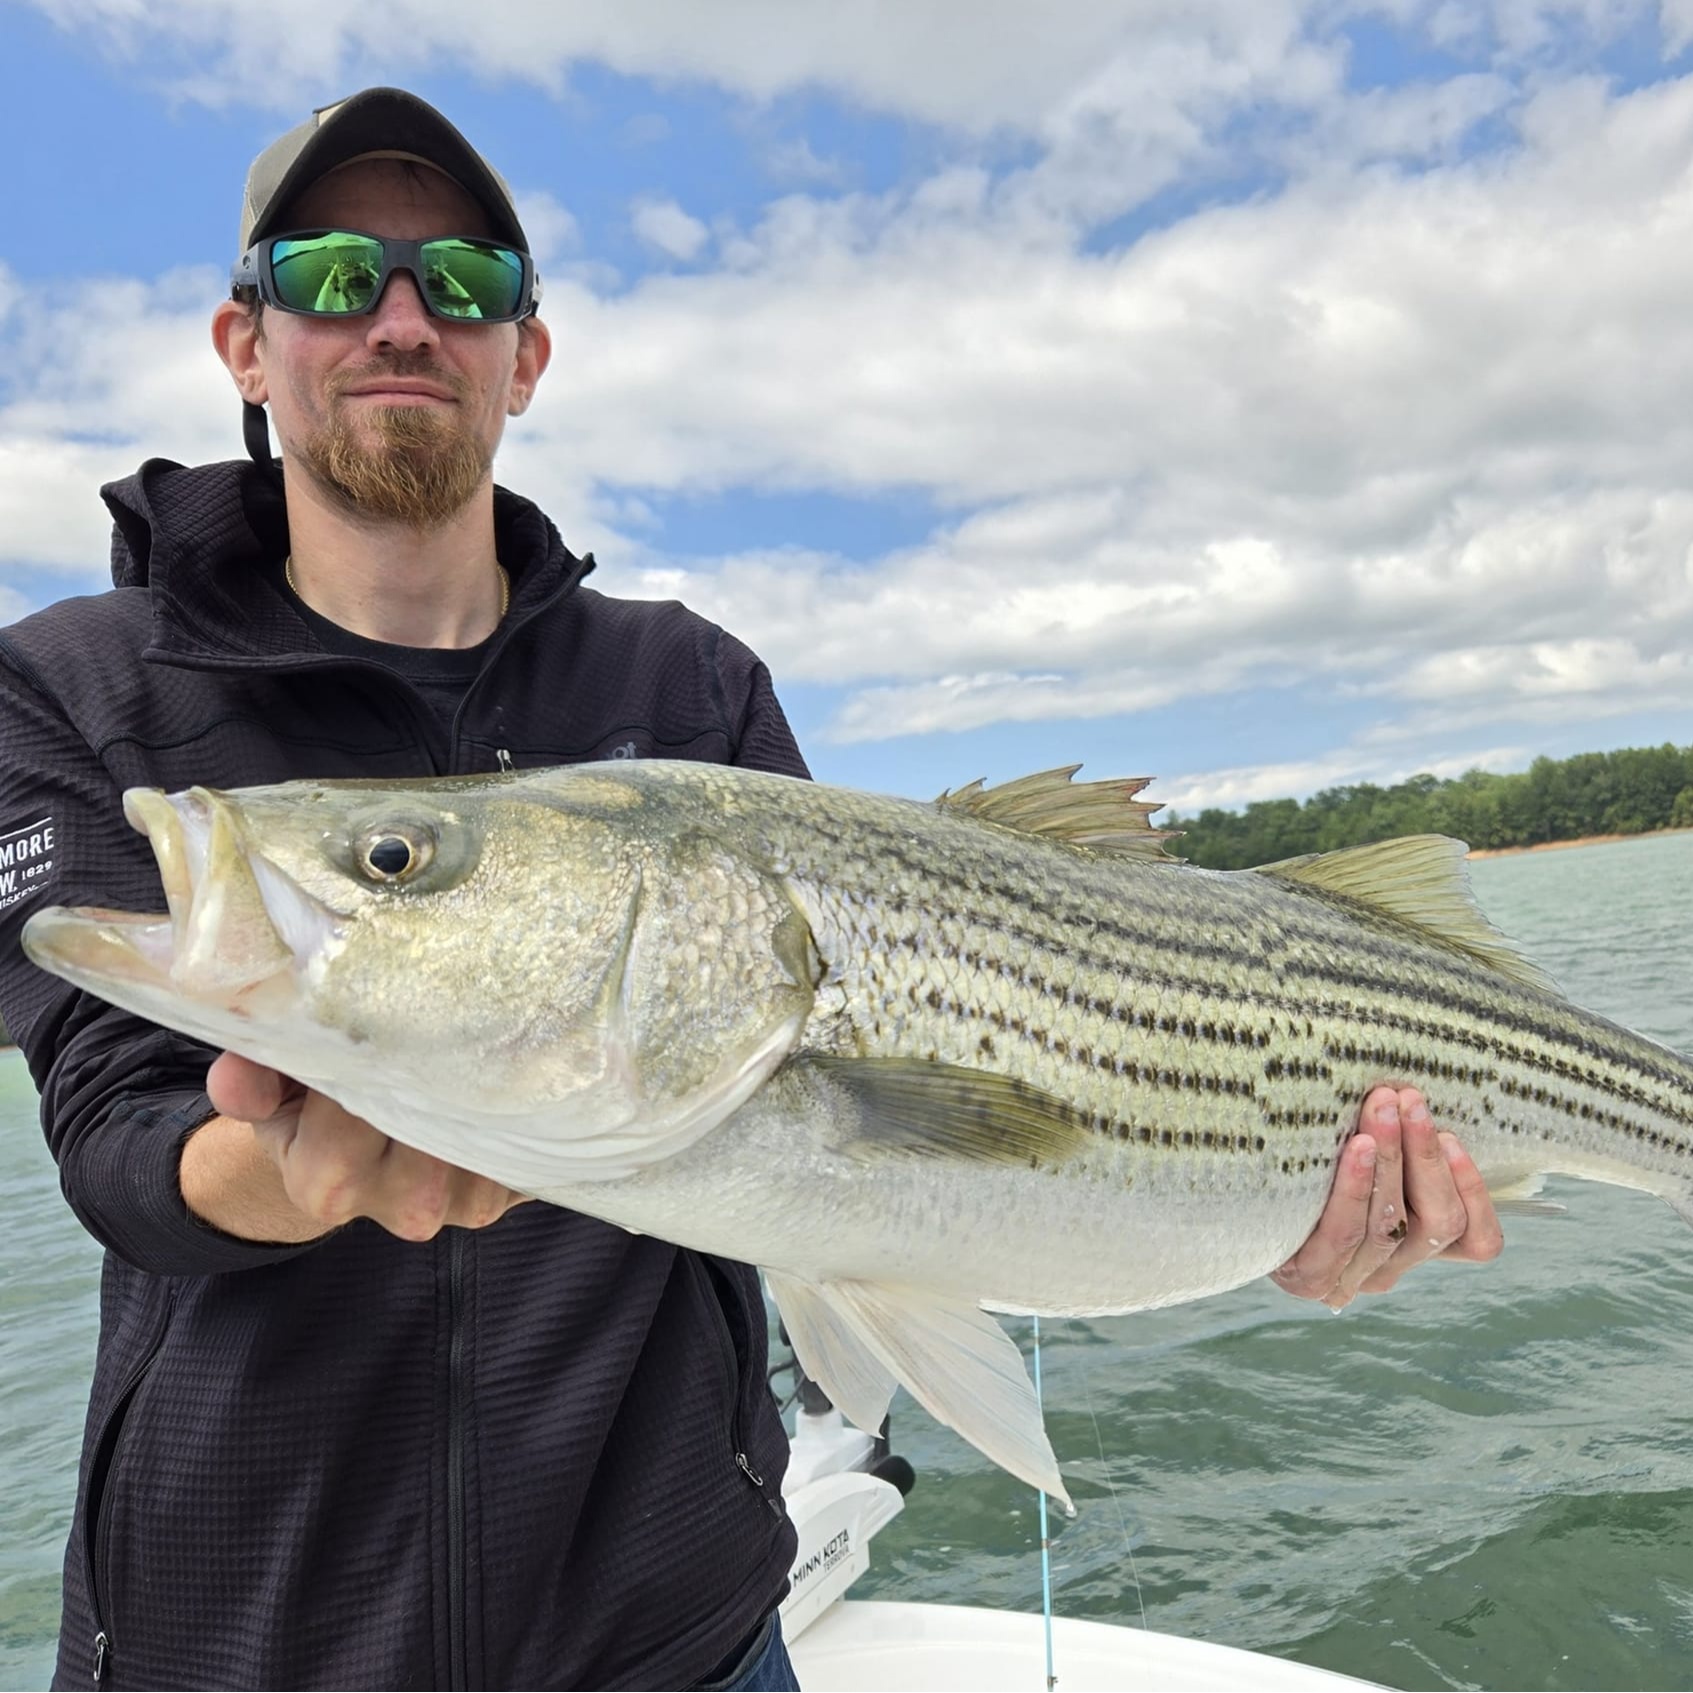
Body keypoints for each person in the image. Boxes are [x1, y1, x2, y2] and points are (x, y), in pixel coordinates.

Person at [0, 87, 1502, 1693]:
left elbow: (915, 1185)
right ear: (246, 342)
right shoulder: (72, 690)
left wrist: (1266, 1211)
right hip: (235, 1640)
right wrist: (283, 1175)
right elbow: (114, 1125)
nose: (401, 319)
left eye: (466, 282)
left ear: (526, 355)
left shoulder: (689, 684)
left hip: (683, 1633)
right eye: (329, 273)